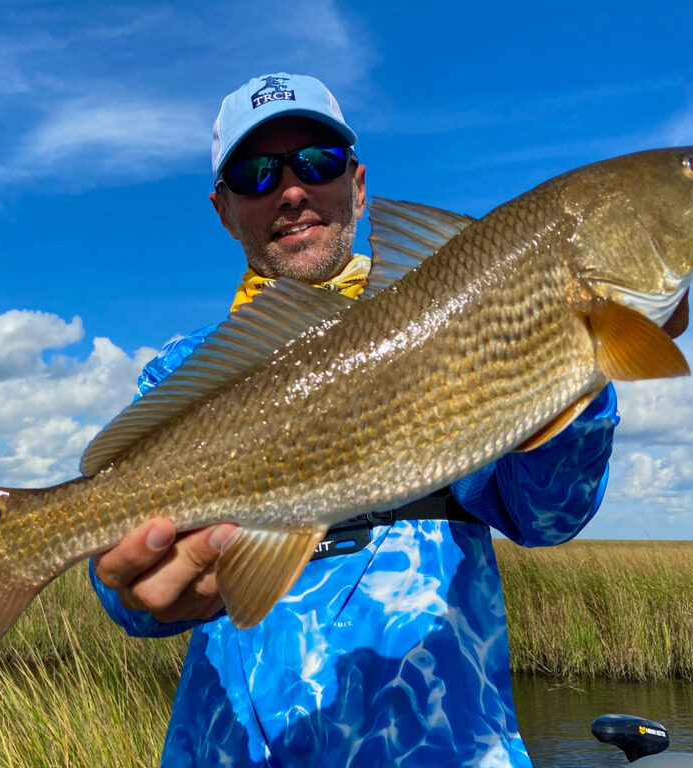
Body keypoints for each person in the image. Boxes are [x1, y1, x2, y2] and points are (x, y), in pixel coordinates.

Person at [88, 73, 620, 767]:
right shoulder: (181, 370)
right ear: (223, 210)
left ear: (358, 184)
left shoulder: (455, 325)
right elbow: (126, 573)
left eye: (318, 162)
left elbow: (550, 516)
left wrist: (585, 360)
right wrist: (127, 592)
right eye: (256, 174)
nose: (291, 190)